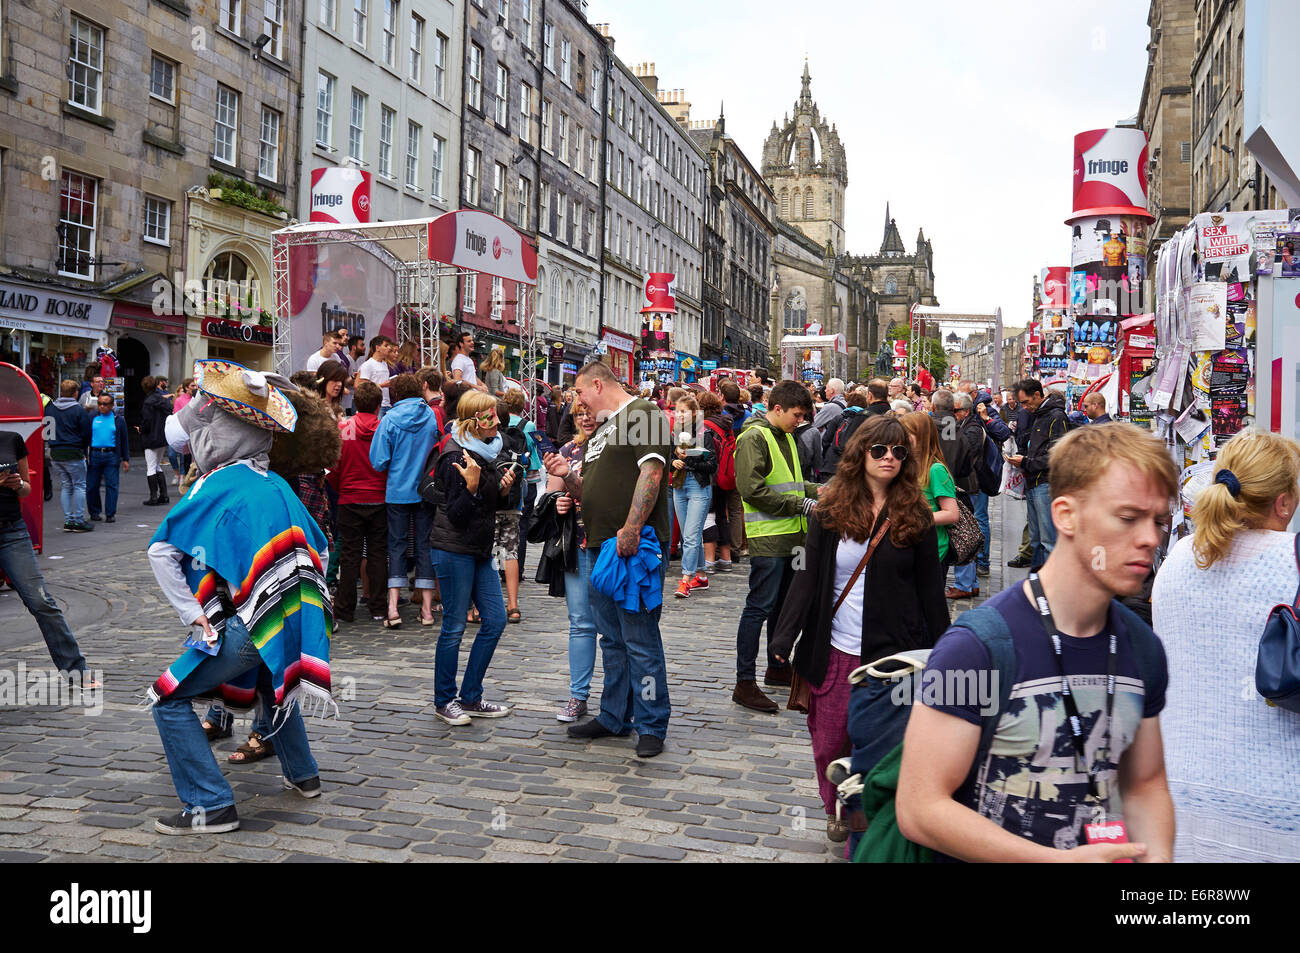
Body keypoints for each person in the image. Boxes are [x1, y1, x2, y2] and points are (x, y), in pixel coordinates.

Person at [897, 422, 1177, 862]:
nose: (1150, 538)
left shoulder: (1142, 647)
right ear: (1065, 514)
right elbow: (920, 807)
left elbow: (1144, 783)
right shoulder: (976, 648)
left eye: (1158, 520)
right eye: (1127, 517)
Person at [147, 361, 332, 834]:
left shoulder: (218, 484)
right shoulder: (279, 486)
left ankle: (210, 805)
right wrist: (282, 598)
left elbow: (161, 552)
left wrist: (196, 616)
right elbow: (323, 551)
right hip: (288, 618)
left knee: (167, 700)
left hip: (245, 625)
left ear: (218, 433)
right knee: (275, 683)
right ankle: (304, 774)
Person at [770, 415, 949, 842]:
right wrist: (783, 634)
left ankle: (864, 819)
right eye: (880, 450)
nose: (890, 458)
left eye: (899, 452)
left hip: (893, 655)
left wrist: (946, 650)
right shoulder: (831, 510)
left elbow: (930, 591)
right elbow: (808, 575)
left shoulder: (915, 514)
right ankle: (837, 803)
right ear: (860, 454)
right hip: (834, 650)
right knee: (830, 745)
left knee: (881, 748)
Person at [1152, 429, 1300, 861]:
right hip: (1280, 804)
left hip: (1181, 798)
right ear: (1284, 502)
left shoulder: (1179, 558)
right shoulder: (1292, 558)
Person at [543, 361, 672, 759]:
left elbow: (652, 471)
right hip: (601, 545)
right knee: (612, 638)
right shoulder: (605, 426)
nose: (577, 401)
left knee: (640, 639)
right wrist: (569, 476)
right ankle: (615, 715)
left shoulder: (644, 413)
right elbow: (594, 488)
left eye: (580, 393)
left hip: (632, 544)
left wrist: (632, 527)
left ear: (597, 384)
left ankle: (651, 723)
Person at [731, 380, 820, 713]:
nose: (800, 421)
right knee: (759, 608)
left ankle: (777, 666)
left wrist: (815, 490)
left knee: (782, 609)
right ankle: (744, 682)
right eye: (796, 415)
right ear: (777, 408)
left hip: (791, 537)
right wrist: (802, 504)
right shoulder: (754, 436)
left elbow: (792, 484)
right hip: (769, 539)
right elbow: (751, 489)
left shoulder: (784, 435)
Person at [428, 390, 516, 725]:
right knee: (454, 625)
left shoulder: (490, 451)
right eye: (489, 417)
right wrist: (473, 487)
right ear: (472, 422)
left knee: (495, 619)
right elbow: (458, 513)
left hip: (479, 547)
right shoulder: (455, 456)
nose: (496, 422)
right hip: (453, 548)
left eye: (496, 415)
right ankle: (443, 700)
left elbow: (491, 506)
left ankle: (471, 696)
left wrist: (502, 488)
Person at [0, 426, 97, 681]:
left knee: (42, 602)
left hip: (12, 531)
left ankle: (77, 672)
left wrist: (17, 483)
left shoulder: (11, 439)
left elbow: (27, 489)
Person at [369, 372, 440, 627]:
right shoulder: (430, 416)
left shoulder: (389, 420)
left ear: (395, 393)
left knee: (396, 546)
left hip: (398, 490)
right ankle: (428, 610)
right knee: (424, 546)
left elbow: (378, 461)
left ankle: (392, 609)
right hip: (425, 490)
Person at [546, 400, 600, 722]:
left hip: (610, 545)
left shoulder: (615, 446)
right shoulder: (568, 450)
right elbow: (550, 496)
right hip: (578, 543)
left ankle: (622, 695)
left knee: (614, 625)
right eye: (580, 414)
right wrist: (558, 503)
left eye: (590, 413)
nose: (585, 418)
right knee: (580, 622)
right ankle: (578, 696)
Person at [327, 380, 388, 623]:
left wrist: (341, 488)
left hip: (349, 498)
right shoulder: (384, 428)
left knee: (349, 556)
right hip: (379, 497)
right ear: (378, 405)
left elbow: (333, 467)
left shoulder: (343, 428)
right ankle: (378, 607)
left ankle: (344, 609)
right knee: (377, 554)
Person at [1006, 379, 1069, 568]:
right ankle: (1038, 580)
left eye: (1026, 402)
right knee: (1036, 539)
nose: (1024, 407)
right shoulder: (1039, 414)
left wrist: (1025, 461)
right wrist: (1023, 458)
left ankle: (1052, 585)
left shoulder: (1056, 416)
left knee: (1048, 540)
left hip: (1046, 483)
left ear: (1037, 395)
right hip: (1034, 482)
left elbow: (1057, 456)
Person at [670, 394, 717, 599]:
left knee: (690, 535)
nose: (679, 415)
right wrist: (674, 462)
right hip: (679, 486)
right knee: (689, 536)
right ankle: (701, 576)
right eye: (677, 411)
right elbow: (670, 456)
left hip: (698, 486)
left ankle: (686, 579)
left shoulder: (704, 434)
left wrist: (689, 460)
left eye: (683, 411)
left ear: (694, 413)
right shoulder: (675, 433)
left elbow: (711, 465)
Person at [899, 412, 960, 569]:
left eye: (907, 432)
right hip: (910, 547)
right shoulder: (905, 464)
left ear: (921, 436)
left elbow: (951, 514)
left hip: (933, 551)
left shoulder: (935, 470)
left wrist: (915, 519)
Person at [43, 379, 93, 531]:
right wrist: (83, 450)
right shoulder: (78, 410)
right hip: (73, 451)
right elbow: (86, 434)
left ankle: (68, 520)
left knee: (66, 485)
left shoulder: (50, 409)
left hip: (55, 453)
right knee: (79, 485)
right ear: (75, 393)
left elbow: (46, 432)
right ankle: (78, 520)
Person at [698, 390, 734, 573]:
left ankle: (710, 560)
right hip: (725, 476)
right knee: (722, 516)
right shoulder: (726, 423)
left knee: (708, 517)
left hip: (711, 476)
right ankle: (726, 559)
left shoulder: (705, 426)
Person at [86, 393, 130, 523]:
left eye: (105, 404)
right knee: (92, 485)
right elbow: (86, 436)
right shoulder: (92, 417)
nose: (102, 406)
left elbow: (124, 439)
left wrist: (125, 459)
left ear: (111, 405)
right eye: (99, 403)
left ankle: (110, 513)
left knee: (112, 485)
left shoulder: (118, 420)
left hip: (111, 455)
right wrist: (84, 453)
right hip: (94, 454)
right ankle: (94, 512)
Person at [139, 376, 173, 507]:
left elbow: (147, 421)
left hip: (151, 437)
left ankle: (153, 496)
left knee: (151, 467)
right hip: (162, 435)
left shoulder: (148, 402)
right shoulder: (162, 400)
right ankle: (164, 495)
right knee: (157, 465)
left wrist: (141, 429)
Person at [358, 336, 397, 411]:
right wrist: (382, 385)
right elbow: (363, 387)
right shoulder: (368, 364)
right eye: (386, 345)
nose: (389, 348)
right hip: (375, 405)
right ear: (377, 348)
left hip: (386, 404)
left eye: (389, 345)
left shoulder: (384, 364)